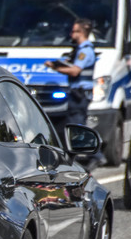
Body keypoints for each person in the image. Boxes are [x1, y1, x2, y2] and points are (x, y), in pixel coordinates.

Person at [45, 18, 105, 169]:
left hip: (79, 94)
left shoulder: (85, 51)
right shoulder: (79, 50)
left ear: (81, 32)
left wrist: (55, 67)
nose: (71, 34)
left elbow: (75, 71)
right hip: (77, 93)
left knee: (77, 126)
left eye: (73, 31)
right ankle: (76, 157)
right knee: (74, 125)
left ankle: (96, 155)